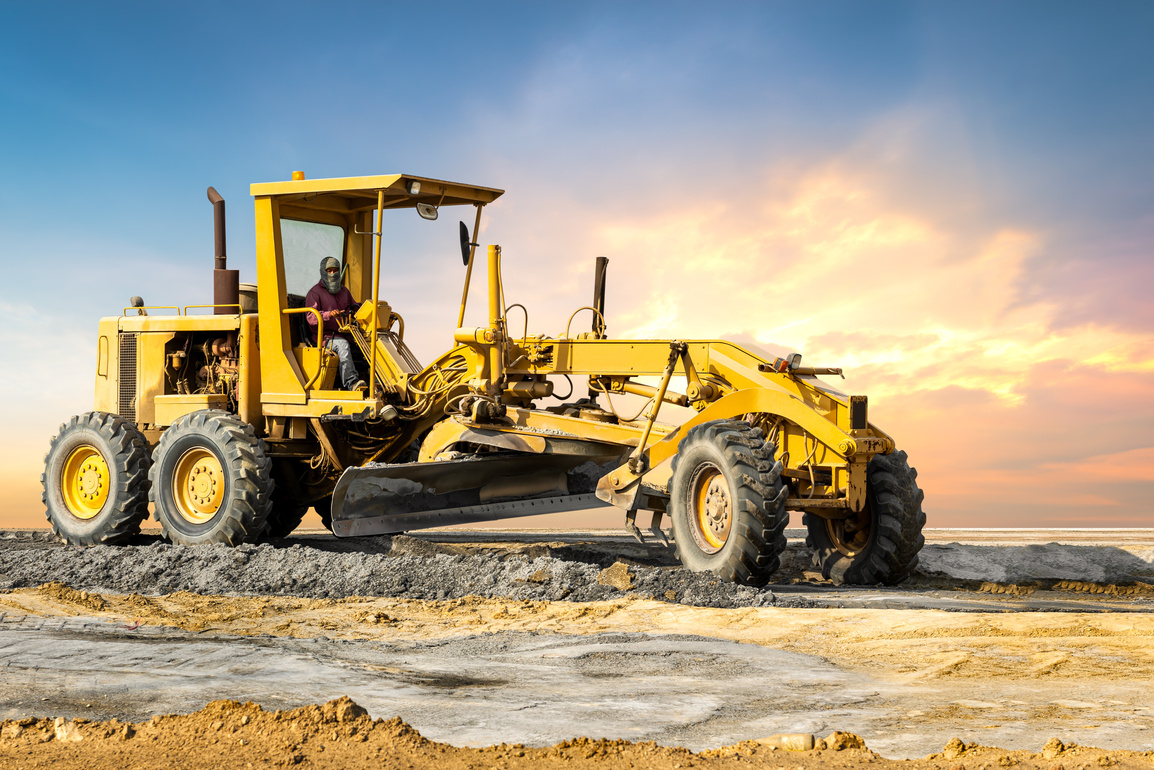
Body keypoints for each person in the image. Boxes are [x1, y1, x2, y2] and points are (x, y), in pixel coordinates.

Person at [305, 256, 365, 391]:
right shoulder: (314, 293)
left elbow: (354, 306)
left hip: (346, 333)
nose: (332, 274)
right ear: (323, 272)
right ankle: (352, 383)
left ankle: (378, 383)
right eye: (329, 271)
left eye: (335, 270)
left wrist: (368, 309)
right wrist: (328, 314)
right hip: (326, 337)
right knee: (342, 346)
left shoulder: (344, 291)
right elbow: (311, 318)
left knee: (370, 343)